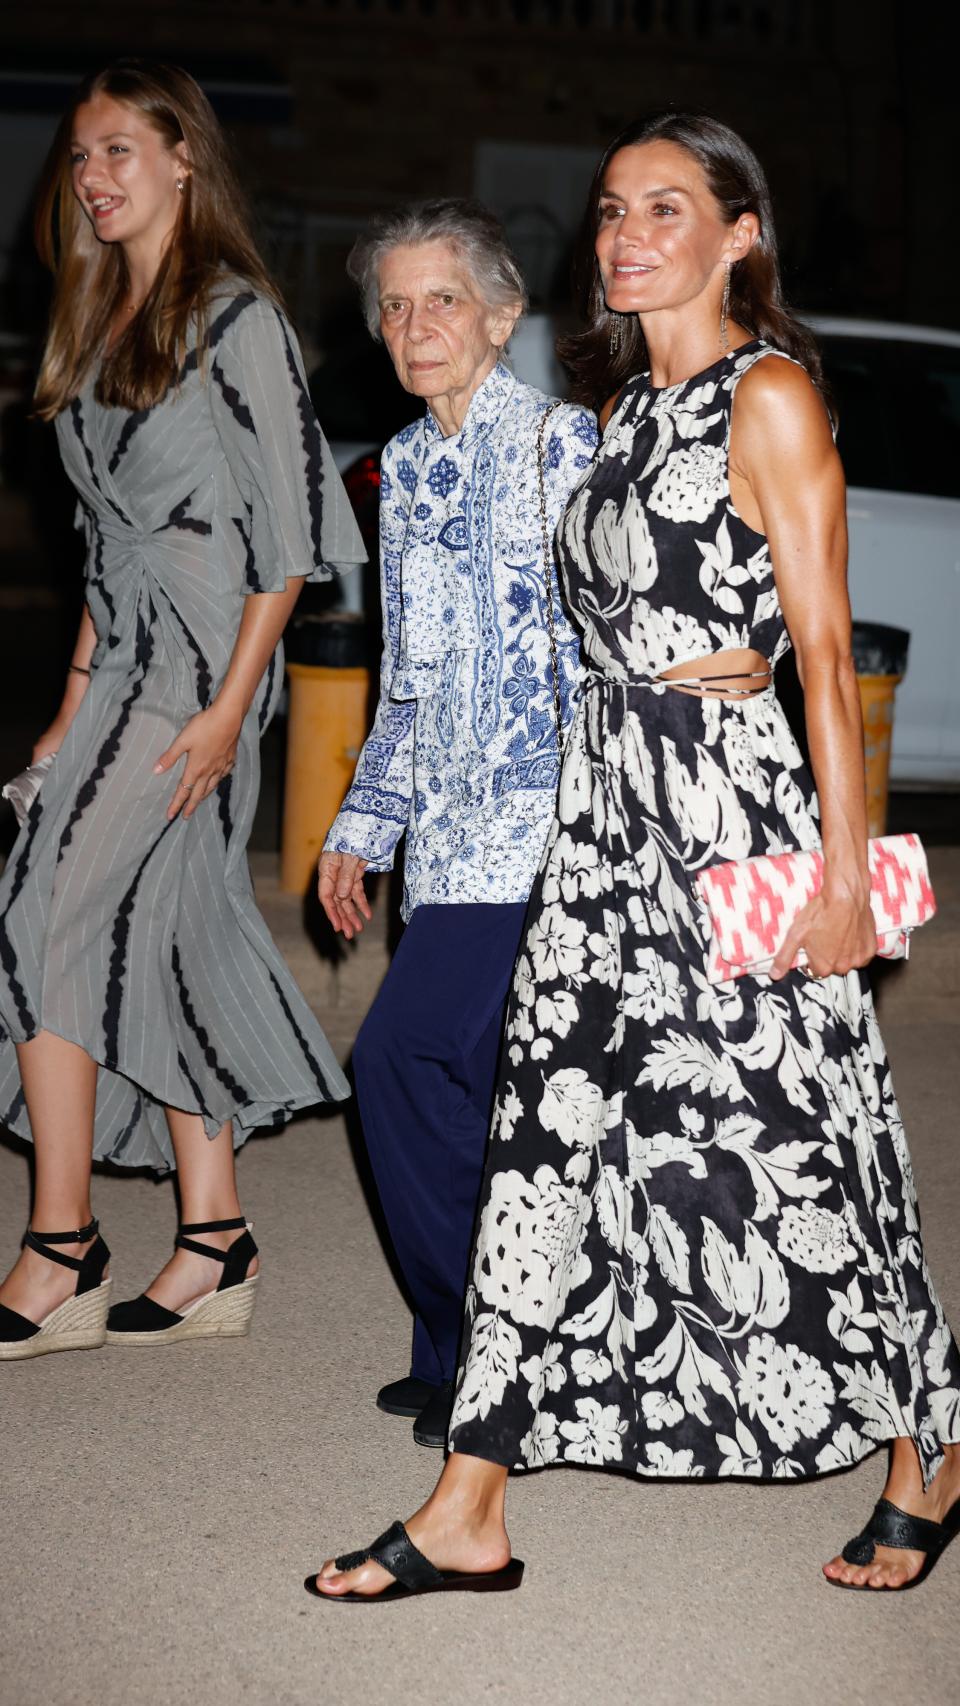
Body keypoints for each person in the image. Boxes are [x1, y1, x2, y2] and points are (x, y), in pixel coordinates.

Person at [308, 112, 960, 1600]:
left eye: (666, 208)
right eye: (610, 208)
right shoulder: (617, 419)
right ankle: (471, 1495)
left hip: (733, 813)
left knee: (815, 1137)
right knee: (548, 1136)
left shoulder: (772, 395)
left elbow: (816, 645)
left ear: (741, 233)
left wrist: (850, 875)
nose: (624, 233)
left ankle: (936, 1435)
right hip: (599, 826)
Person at [0, 59, 365, 1359]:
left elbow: (290, 533)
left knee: (43, 910)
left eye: (118, 151)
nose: (92, 177)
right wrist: (66, 705)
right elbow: (105, 542)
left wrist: (226, 708)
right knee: (153, 924)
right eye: (81, 156)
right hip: (128, 656)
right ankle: (213, 1238)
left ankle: (61, 1247)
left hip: (204, 660)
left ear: (182, 160)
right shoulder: (98, 317)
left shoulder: (234, 317)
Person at [318, 199, 598, 1448]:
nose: (414, 324)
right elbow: (410, 678)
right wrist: (361, 829)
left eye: (442, 300)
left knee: (392, 1060)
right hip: (443, 838)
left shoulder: (562, 446)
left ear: (500, 315)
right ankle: (458, 1352)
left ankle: (496, 1351)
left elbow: (604, 650)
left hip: (539, 830)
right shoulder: (407, 463)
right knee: (482, 1097)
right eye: (394, 303)